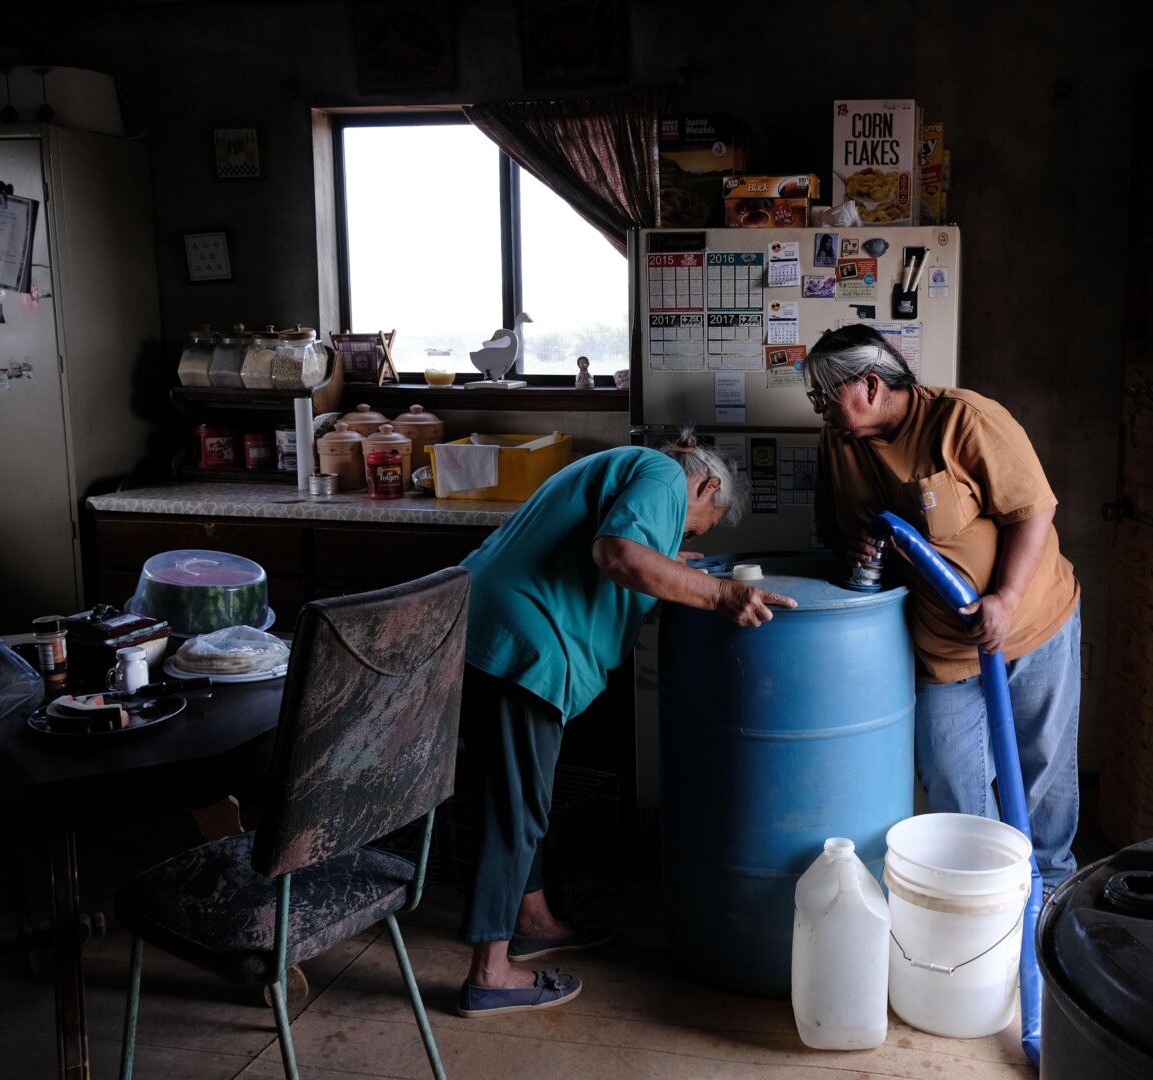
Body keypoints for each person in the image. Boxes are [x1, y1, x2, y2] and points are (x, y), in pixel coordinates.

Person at [453, 435, 793, 1017]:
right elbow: (620, 554)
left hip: (484, 621)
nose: (683, 539)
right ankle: (490, 972)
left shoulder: (624, 465)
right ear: (707, 486)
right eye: (693, 531)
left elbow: (626, 544)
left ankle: (532, 921)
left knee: (512, 792)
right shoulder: (663, 474)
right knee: (515, 805)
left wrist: (669, 559)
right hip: (523, 640)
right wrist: (720, 592)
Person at [805, 324, 1083, 889]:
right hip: (942, 646)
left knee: (1040, 767)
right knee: (952, 777)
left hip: (1029, 624)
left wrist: (1004, 597)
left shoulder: (964, 419)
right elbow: (835, 532)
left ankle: (1049, 889)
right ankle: (981, 893)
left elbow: (1034, 510)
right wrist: (854, 547)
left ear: (872, 385)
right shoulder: (838, 444)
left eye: (826, 398)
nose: (820, 412)